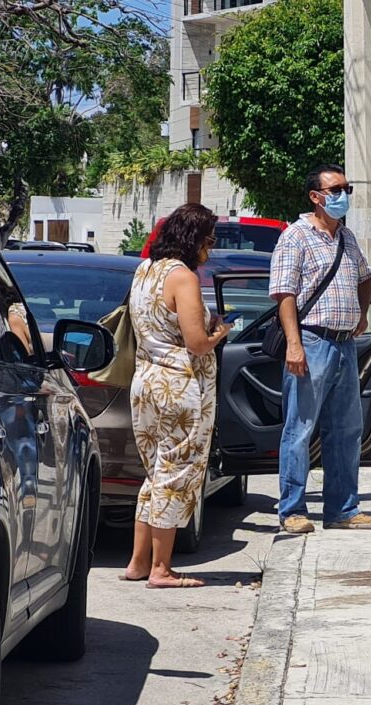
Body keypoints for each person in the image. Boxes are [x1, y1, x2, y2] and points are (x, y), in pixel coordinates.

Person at [268, 164, 371, 534]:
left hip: (344, 344)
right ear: (315, 197)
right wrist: (294, 343)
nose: (343, 196)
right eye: (335, 190)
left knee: (347, 430)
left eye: (346, 189)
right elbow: (284, 294)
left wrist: (362, 314)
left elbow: (365, 278)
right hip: (312, 341)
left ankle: (343, 509)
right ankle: (293, 510)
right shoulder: (296, 237)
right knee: (299, 429)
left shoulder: (346, 238)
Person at [123, 203, 231, 588]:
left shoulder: (144, 270)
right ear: (194, 240)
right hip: (180, 387)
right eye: (209, 240)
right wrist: (220, 331)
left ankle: (138, 563)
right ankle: (161, 569)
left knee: (154, 473)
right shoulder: (183, 278)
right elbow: (197, 343)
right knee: (176, 475)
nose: (211, 248)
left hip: (146, 382)